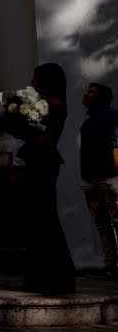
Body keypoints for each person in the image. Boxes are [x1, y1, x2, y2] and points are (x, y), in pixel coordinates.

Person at [1, 62, 75, 294]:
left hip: (43, 163)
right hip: (37, 162)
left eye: (35, 79)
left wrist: (22, 126)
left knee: (45, 220)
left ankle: (55, 277)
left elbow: (46, 137)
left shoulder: (54, 105)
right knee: (39, 220)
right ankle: (44, 277)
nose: (32, 84)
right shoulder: (46, 104)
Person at [80, 82, 118, 280]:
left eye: (91, 92)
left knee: (117, 221)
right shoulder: (86, 123)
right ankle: (110, 264)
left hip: (109, 178)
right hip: (90, 180)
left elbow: (116, 145)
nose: (86, 94)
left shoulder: (112, 115)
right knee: (102, 225)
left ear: (102, 97)